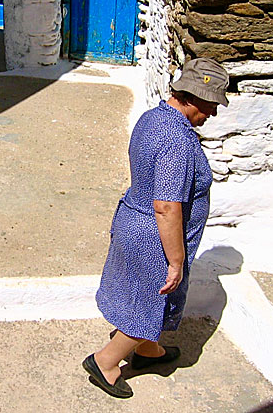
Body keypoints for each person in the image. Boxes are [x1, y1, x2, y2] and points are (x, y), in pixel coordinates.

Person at [82, 57, 230, 398]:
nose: (213, 114)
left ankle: (149, 351)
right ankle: (105, 362)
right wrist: (176, 260)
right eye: (210, 105)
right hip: (153, 236)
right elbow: (166, 205)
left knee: (144, 297)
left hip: (132, 221)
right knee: (148, 304)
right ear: (192, 97)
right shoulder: (178, 142)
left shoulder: (153, 118)